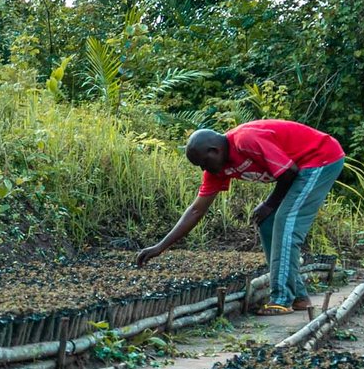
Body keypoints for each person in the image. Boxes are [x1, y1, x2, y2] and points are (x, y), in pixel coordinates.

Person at [136, 119, 347, 314]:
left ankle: (281, 299)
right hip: (299, 169)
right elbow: (196, 210)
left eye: (203, 162)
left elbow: (289, 172)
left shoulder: (246, 140)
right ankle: (299, 297)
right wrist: (159, 247)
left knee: (285, 222)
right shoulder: (216, 169)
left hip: (320, 158)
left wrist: (269, 203)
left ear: (214, 150)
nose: (203, 168)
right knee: (267, 224)